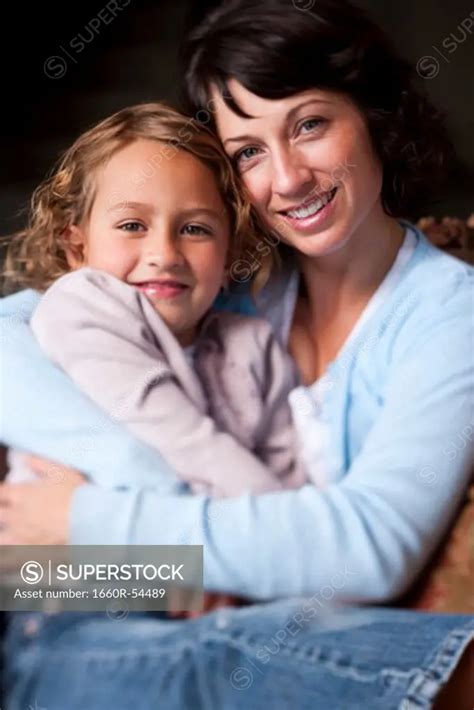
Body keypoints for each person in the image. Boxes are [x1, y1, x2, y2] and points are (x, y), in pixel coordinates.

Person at [0, 0, 472, 707]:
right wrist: (126, 524)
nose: (285, 179)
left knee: (240, 647)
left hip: (190, 603)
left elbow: (370, 552)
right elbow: (18, 331)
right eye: (248, 150)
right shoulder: (221, 281)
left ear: (373, 115)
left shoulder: (448, 312)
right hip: (57, 595)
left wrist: (93, 525)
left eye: (309, 125)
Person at [5, 101, 307, 496]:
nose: (164, 254)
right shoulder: (77, 309)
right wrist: (287, 538)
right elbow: (182, 442)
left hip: (210, 551)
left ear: (230, 252)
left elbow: (293, 481)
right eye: (132, 225)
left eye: (195, 229)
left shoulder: (253, 345)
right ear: (77, 249)